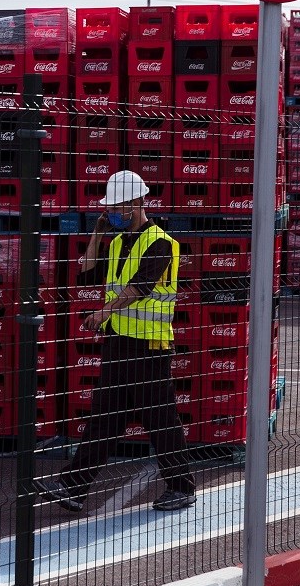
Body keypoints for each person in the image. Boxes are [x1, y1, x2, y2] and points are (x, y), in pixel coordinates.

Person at [35, 170, 197, 513]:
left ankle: (181, 487)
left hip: (149, 347)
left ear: (138, 203)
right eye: (110, 209)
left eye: (118, 208)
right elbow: (88, 273)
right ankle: (73, 487)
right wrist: (96, 234)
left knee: (160, 420)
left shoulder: (161, 242)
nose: (113, 214)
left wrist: (103, 313)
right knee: (104, 419)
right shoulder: (118, 241)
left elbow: (140, 287)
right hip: (118, 343)